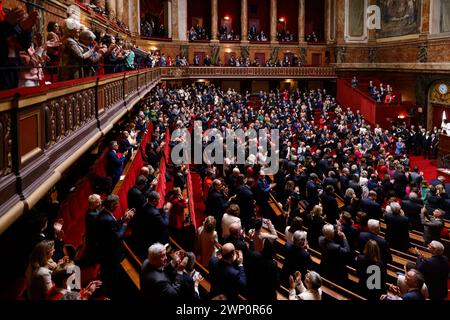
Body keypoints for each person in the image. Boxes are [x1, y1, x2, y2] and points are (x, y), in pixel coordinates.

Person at [95, 194, 134, 298]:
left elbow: (113, 225)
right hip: (111, 253)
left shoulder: (103, 213)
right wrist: (125, 223)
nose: (118, 206)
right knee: (112, 275)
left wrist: (122, 218)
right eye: (116, 204)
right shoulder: (106, 218)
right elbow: (118, 236)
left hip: (106, 251)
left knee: (108, 273)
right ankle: (112, 294)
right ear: (112, 205)